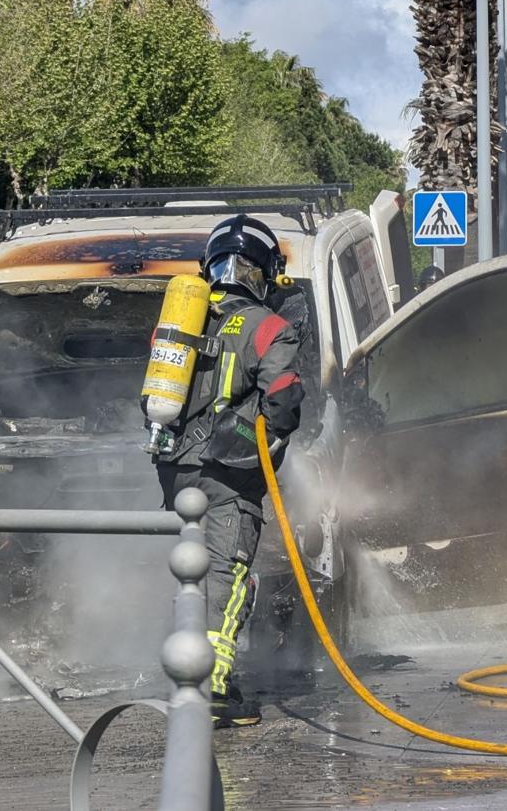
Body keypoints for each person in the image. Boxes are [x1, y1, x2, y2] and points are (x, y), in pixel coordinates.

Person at [155, 215, 305, 726]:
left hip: (175, 469)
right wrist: (265, 435)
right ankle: (212, 689)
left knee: (190, 573)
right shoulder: (269, 326)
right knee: (229, 573)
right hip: (228, 473)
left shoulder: (187, 317)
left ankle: (190, 671)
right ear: (264, 271)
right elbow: (282, 401)